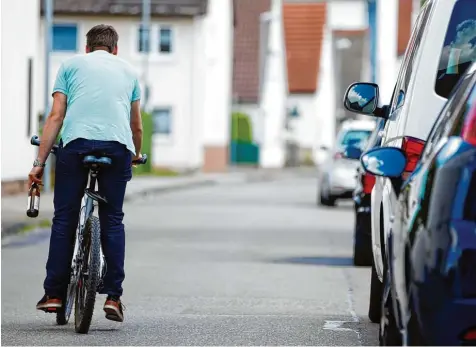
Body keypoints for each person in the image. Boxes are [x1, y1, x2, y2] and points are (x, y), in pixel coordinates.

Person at [28, 24, 143, 323]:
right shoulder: (129, 71)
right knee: (113, 218)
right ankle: (114, 297)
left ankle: (54, 294)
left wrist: (39, 163)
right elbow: (136, 126)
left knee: (64, 217)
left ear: (87, 47)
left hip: (76, 146)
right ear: (115, 49)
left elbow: (56, 115)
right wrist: (135, 155)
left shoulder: (70, 65)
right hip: (117, 149)